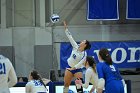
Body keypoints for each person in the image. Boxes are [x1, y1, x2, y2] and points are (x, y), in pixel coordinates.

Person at [63, 21, 91, 93]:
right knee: (66, 85)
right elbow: (70, 37)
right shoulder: (76, 46)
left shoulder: (84, 55)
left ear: (85, 45)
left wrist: (72, 68)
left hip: (77, 69)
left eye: (83, 41)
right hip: (69, 66)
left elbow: (79, 65)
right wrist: (66, 29)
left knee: (79, 87)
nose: (81, 41)